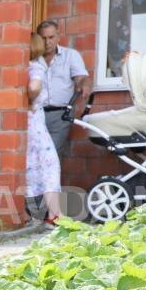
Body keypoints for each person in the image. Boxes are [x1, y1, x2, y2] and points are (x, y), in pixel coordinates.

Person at [33, 20, 90, 158]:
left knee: (50, 155)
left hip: (60, 115)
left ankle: (49, 180)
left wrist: (84, 84)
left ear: (58, 37)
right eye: (43, 38)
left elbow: (81, 77)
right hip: (36, 115)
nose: (47, 42)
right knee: (35, 156)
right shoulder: (33, 58)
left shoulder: (71, 55)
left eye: (51, 37)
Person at [26, 32, 63, 224]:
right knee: (49, 165)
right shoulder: (36, 66)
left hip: (29, 124)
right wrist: (30, 100)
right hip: (35, 125)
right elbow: (34, 87)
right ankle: (55, 214)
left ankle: (35, 215)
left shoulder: (25, 66)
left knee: (31, 167)